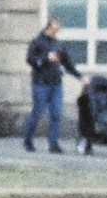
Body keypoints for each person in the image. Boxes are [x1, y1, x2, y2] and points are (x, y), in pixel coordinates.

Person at [24, 18, 81, 153]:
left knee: (56, 114)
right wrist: (45, 58)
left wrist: (80, 76)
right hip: (40, 84)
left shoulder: (58, 44)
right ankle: (28, 140)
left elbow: (67, 64)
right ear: (48, 28)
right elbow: (30, 60)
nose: (56, 32)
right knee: (37, 113)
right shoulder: (37, 42)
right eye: (55, 29)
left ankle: (53, 144)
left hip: (56, 84)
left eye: (58, 30)